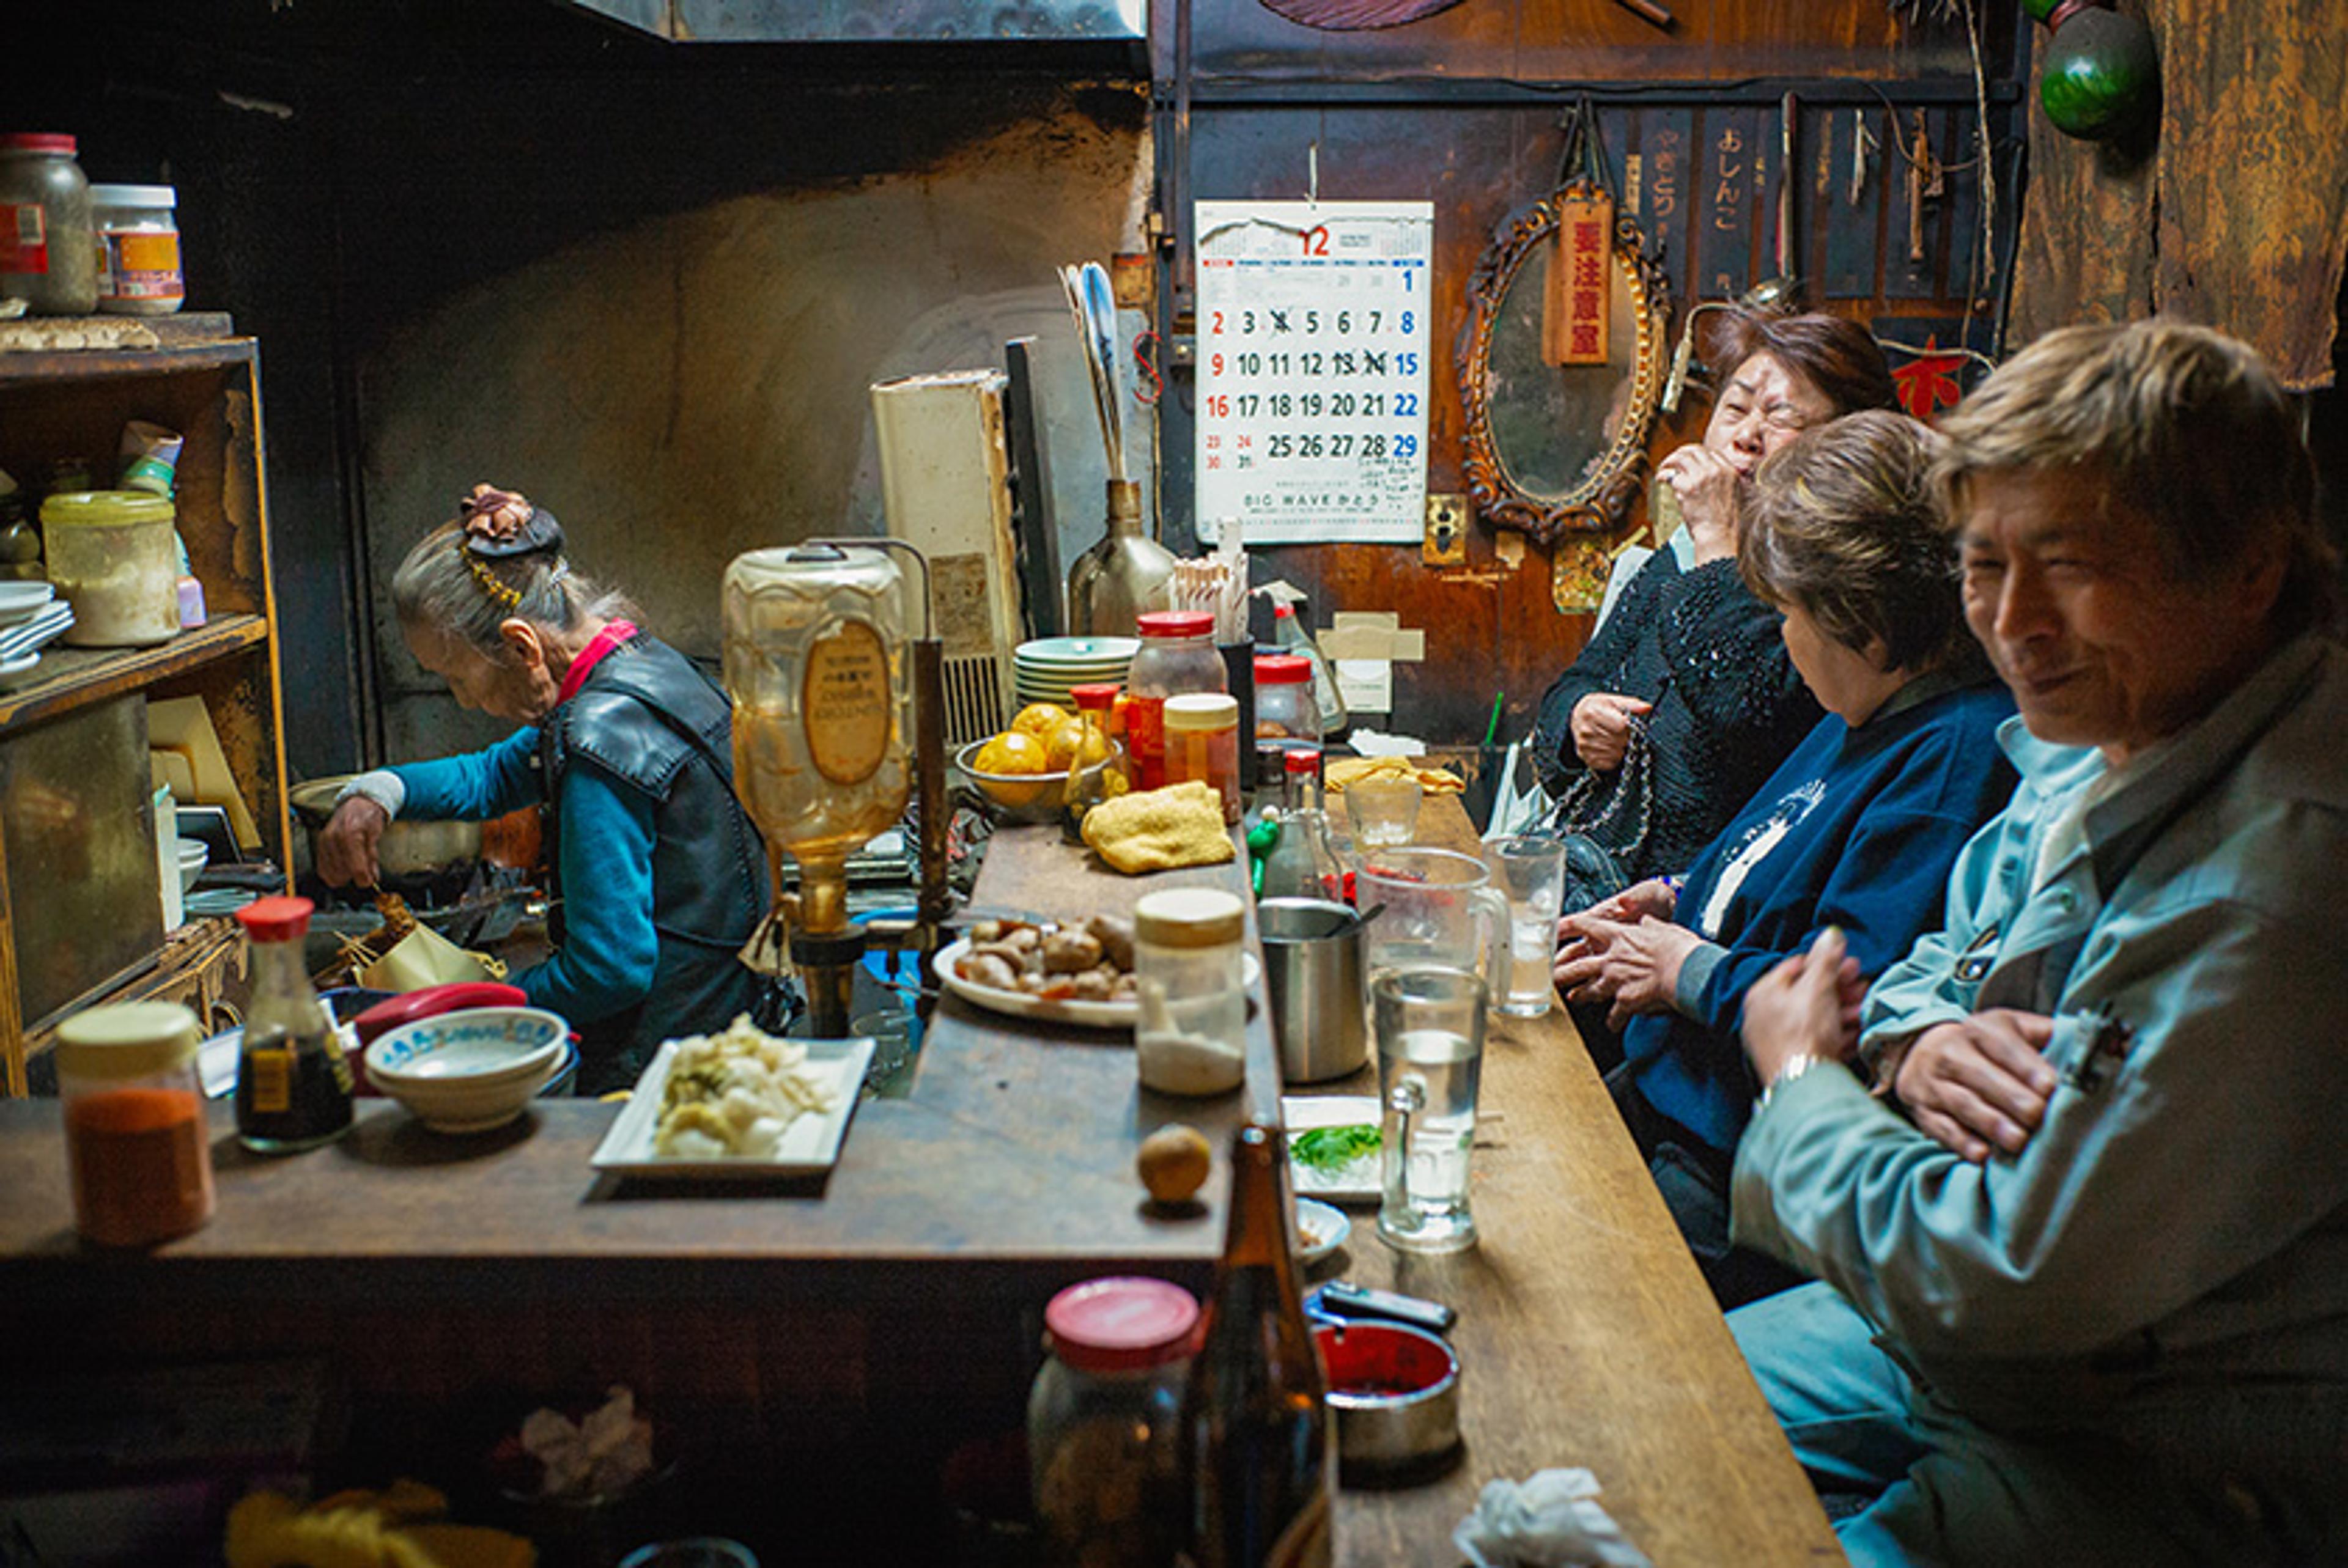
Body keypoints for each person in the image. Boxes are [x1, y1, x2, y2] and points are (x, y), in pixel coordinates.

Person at [1726, 320, 2348, 1566]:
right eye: (1981, 564)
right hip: (1959, 1355)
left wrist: (1802, 1076)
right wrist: (1914, 1048)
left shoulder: (2271, 890)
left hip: (2139, 1446)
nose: (2015, 622)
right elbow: (1931, 965)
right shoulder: (2092, 736)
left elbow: (2002, 1273)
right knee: (1626, 1410)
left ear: (2250, 569)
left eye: (2071, 564)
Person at [1552, 410, 2018, 1305]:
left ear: (1864, 626)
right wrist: (1681, 894)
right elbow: (1777, 853)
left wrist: (1687, 968)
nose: (1783, 640)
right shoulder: (1864, 707)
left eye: (1789, 616)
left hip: (1732, 1167)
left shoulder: (1952, 754)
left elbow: (1843, 998)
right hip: (1669, 1093)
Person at [319, 484, 770, 1094]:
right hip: (737, 1022)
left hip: (664, 1071)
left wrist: (463, 1012)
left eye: (457, 676)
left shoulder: (596, 740)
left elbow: (609, 971)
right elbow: (492, 776)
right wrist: (376, 792)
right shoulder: (646, 667)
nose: (462, 698)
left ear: (520, 645)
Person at [1530, 308, 1900, 907]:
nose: (1747, 434)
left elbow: (1746, 706)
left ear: (1849, 442)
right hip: (1590, 876)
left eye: (1781, 416)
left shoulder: (1842, 583)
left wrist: (1717, 540)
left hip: (1702, 910)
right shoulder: (1674, 560)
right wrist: (1580, 723)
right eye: (1736, 407)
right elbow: (1567, 695)